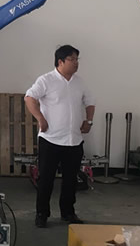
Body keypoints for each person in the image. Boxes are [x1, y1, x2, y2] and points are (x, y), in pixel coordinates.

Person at [24, 45, 95, 228]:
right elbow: (29, 98)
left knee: (71, 180)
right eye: (72, 59)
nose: (76, 63)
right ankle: (42, 214)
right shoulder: (46, 80)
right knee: (46, 179)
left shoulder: (80, 82)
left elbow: (90, 102)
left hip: (74, 140)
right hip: (51, 139)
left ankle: (68, 212)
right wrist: (40, 118)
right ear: (60, 61)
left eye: (77, 59)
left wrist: (89, 120)